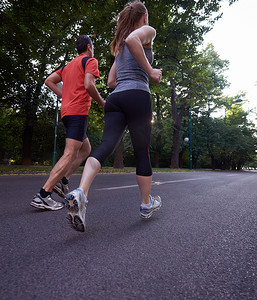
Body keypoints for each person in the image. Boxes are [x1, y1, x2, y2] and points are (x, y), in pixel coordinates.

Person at [64, 1, 162, 232]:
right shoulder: (147, 32)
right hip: (138, 94)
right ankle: (146, 204)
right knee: (141, 151)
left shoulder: (119, 49)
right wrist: (150, 71)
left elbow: (110, 82)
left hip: (116, 98)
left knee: (105, 146)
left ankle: (81, 192)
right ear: (144, 17)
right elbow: (133, 40)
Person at [31, 35, 105, 211]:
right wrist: (102, 103)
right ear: (88, 47)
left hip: (67, 113)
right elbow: (88, 84)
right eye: (92, 47)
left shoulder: (68, 66)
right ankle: (43, 194)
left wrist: (65, 96)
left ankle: (63, 182)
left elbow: (49, 80)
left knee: (85, 149)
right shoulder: (90, 60)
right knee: (70, 154)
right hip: (78, 112)